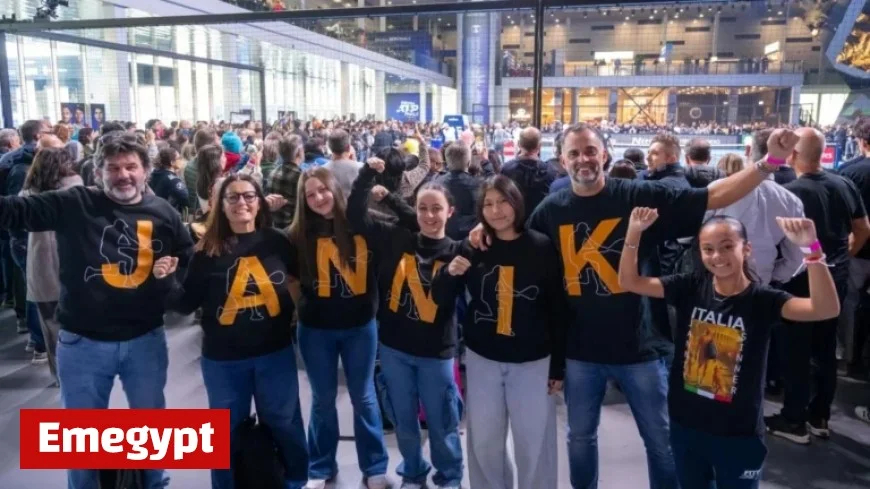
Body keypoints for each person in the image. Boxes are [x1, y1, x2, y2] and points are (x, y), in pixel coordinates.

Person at [473, 123, 800, 489]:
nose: (584, 160)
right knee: (580, 438)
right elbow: (519, 245)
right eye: (575, 153)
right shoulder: (551, 211)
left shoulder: (637, 196)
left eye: (591, 151)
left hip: (641, 348)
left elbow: (712, 197)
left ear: (605, 155)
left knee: (660, 441)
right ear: (562, 161)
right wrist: (482, 230)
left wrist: (769, 162)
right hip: (581, 351)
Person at [0, 131, 194, 489]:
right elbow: (15, 211)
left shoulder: (163, 212)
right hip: (83, 343)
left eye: (131, 166)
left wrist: (172, 277)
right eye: (113, 167)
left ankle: (155, 484)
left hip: (145, 341)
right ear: (98, 172)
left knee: (150, 427)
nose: (123, 174)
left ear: (146, 170)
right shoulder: (75, 203)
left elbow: (186, 259)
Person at [618, 209, 840, 489]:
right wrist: (634, 232)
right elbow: (629, 281)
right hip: (687, 424)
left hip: (738, 431)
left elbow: (826, 308)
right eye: (708, 249)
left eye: (727, 247)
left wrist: (811, 249)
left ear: (745, 249)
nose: (717, 256)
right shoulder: (689, 286)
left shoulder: (763, 300)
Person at [155, 174, 308, 489]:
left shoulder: (277, 240)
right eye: (233, 197)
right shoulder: (207, 252)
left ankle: (295, 480)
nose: (242, 203)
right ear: (220, 206)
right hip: (224, 360)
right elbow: (184, 304)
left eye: (249, 196)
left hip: (274, 353)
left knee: (285, 423)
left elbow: (299, 280)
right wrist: (165, 281)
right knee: (223, 432)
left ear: (259, 201)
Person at [347, 158, 465, 489]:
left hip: (436, 352)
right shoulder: (396, 239)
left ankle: (449, 476)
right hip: (395, 348)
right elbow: (356, 216)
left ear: (449, 212)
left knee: (443, 421)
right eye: (423, 208)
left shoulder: (459, 252)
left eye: (437, 209)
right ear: (414, 209)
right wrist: (367, 175)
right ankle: (412, 471)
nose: (429, 215)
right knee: (403, 419)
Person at [452, 175, 565, 489]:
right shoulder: (475, 245)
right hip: (482, 358)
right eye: (488, 203)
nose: (496, 210)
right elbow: (448, 293)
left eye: (502, 201)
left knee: (534, 443)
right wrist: (452, 273)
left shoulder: (541, 247)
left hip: (532, 362)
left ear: (516, 202)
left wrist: (558, 365)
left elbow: (557, 308)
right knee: (484, 441)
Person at [287, 167, 390, 489]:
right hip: (316, 329)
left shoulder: (362, 223)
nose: (319, 198)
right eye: (311, 194)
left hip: (360, 327)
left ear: (336, 189)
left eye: (323, 190)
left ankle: (374, 466)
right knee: (322, 399)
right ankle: (320, 467)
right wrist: (300, 307)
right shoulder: (297, 234)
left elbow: (406, 230)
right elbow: (288, 276)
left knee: (364, 397)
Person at [766, 128, 870, 443]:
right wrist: (841, 256)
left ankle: (794, 419)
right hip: (835, 278)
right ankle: (819, 416)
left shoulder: (788, 192)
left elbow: (774, 243)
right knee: (826, 348)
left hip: (798, 280)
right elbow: (863, 229)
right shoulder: (844, 183)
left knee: (795, 350)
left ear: (793, 154)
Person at [19, 147, 83, 376]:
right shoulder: (76, 188)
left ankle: (59, 375)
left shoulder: (27, 193)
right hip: (73, 260)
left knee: (49, 325)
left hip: (40, 262)